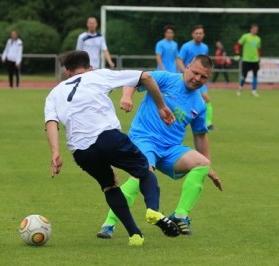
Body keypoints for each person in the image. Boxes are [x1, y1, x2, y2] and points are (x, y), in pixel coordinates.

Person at [44, 50, 180, 247]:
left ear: (67, 72)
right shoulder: (98, 74)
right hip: (108, 137)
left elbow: (51, 122)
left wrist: (55, 152)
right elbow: (146, 76)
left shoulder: (54, 92)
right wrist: (161, 106)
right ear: (90, 67)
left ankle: (135, 235)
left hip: (81, 151)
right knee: (145, 170)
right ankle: (153, 210)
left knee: (110, 185)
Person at [96, 55, 222, 238]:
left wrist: (209, 166)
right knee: (141, 177)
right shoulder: (166, 78)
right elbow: (133, 79)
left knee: (202, 163)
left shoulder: (199, 104)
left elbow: (201, 135)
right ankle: (108, 224)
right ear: (187, 67)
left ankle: (180, 216)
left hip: (170, 149)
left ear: (208, 78)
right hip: (143, 139)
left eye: (203, 77)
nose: (197, 79)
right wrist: (126, 96)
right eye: (195, 73)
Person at [177, 25, 215, 130]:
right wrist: (185, 71)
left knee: (206, 99)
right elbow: (179, 59)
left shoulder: (205, 47)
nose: (198, 35)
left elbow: (206, 63)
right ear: (193, 34)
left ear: (203, 35)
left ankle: (208, 123)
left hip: (199, 79)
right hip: (189, 78)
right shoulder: (186, 46)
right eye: (196, 33)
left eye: (201, 33)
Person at [234, 24, 262, 97]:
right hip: (246, 60)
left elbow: (258, 50)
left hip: (255, 60)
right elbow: (237, 45)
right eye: (254, 29)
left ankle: (254, 91)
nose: (255, 30)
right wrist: (237, 52)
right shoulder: (245, 36)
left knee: (255, 75)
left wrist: (259, 58)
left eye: (256, 29)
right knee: (244, 76)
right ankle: (240, 89)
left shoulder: (258, 39)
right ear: (251, 29)